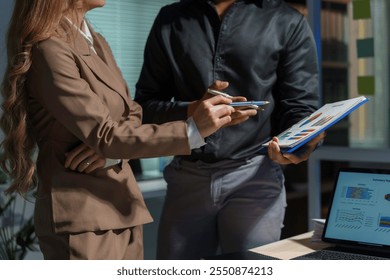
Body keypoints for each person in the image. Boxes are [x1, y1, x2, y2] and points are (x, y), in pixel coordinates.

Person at [0, 0, 248, 260]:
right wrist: (192, 129)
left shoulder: (97, 42)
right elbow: (107, 135)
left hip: (124, 206)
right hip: (82, 218)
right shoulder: (48, 48)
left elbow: (132, 113)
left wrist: (113, 151)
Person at [134, 0, 325, 259]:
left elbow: (300, 106)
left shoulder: (286, 20)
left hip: (254, 177)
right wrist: (194, 110)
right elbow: (145, 105)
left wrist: (299, 142)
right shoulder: (171, 19)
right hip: (187, 176)